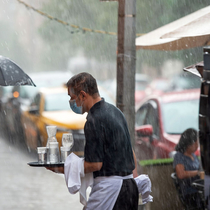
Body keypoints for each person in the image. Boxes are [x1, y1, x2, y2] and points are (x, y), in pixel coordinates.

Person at [47, 72, 139, 210]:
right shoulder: (115, 111)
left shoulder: (94, 120)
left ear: (83, 95)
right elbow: (130, 152)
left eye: (72, 98)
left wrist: (63, 168)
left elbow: (95, 164)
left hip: (111, 192)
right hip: (130, 189)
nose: (72, 103)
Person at [173, 128, 203, 209]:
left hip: (199, 189)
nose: (197, 146)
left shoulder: (194, 156)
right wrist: (197, 173)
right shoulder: (179, 156)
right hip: (191, 192)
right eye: (195, 143)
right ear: (188, 143)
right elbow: (181, 174)